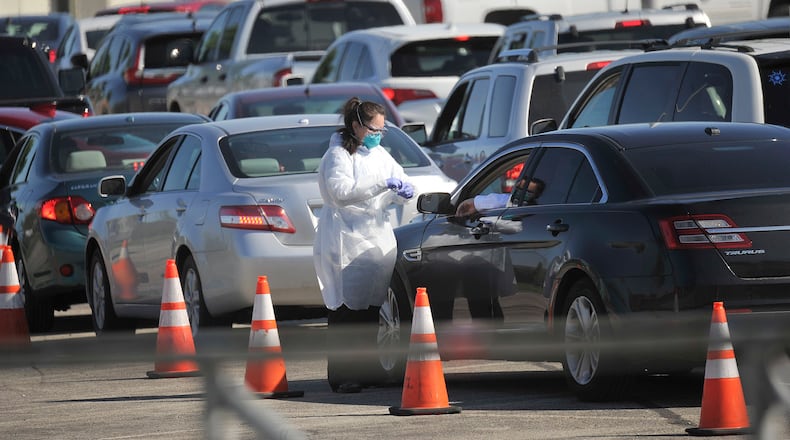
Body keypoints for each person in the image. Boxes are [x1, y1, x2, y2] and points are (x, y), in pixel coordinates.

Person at [313, 97, 415, 393]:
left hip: (374, 236)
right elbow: (341, 191)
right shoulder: (338, 155)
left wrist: (404, 192)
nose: (377, 136)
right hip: (345, 238)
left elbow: (402, 181)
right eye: (373, 130)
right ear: (356, 126)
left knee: (370, 308)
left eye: (382, 131)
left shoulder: (380, 154)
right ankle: (343, 375)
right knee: (347, 311)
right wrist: (382, 185)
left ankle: (367, 370)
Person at [455, 177, 545, 217]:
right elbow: (504, 201)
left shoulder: (538, 212)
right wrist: (476, 203)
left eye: (528, 192)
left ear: (537, 195)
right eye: (518, 188)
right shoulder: (507, 202)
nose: (521, 193)